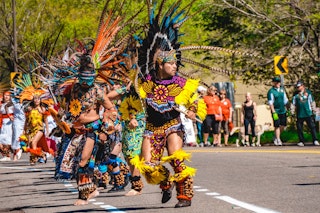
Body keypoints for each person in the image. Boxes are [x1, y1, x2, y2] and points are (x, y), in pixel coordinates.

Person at [291, 80, 319, 146]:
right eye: (297, 87)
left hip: (308, 113)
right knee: (299, 128)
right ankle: (301, 141)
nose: (298, 88)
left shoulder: (308, 93)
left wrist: (314, 110)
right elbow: (293, 104)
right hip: (300, 114)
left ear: (302, 86)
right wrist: (292, 111)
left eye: (299, 87)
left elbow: (312, 102)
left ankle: (315, 140)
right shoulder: (295, 95)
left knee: (312, 127)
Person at [267, 76, 288, 146]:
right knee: (277, 125)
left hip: (283, 110)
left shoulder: (282, 90)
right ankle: (278, 139)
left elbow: (285, 100)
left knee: (283, 125)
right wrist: (273, 111)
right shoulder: (271, 91)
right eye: (276, 82)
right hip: (276, 111)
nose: (278, 83)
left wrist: (287, 107)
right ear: (274, 83)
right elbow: (270, 102)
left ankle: (275, 135)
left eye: (278, 82)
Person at [0, 91, 14, 161]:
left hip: (9, 123)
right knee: (2, 140)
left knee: (6, 140)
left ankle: (7, 156)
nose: (6, 96)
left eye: (8, 95)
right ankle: (6, 154)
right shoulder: (2, 104)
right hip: (3, 123)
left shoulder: (12, 104)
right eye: (5, 95)